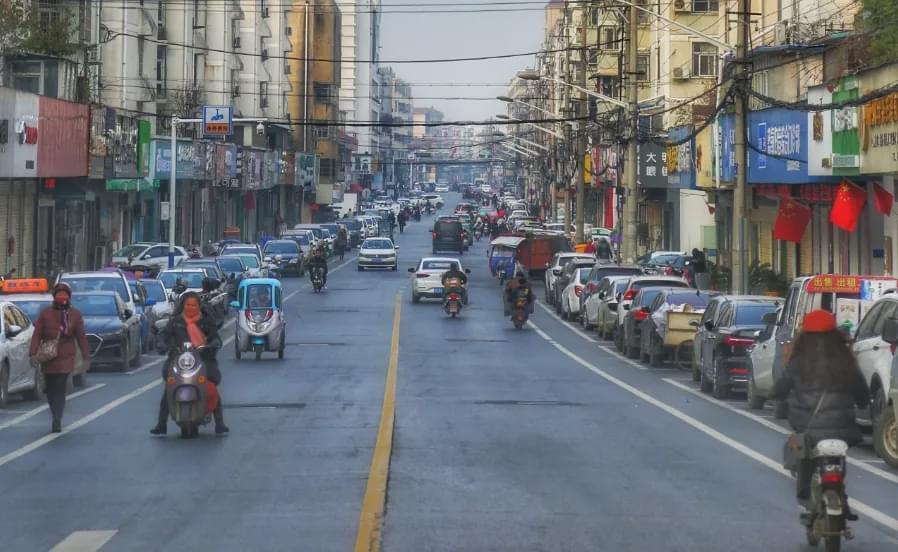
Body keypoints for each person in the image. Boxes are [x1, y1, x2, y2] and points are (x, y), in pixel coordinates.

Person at [771, 310, 868, 513]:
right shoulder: (845, 361)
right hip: (842, 428)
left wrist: (778, 396)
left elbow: (780, 389)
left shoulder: (798, 362)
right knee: (838, 459)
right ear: (835, 335)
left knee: (802, 454)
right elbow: (862, 392)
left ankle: (805, 494)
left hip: (806, 426)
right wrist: (862, 402)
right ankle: (841, 495)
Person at [151, 293, 228, 435]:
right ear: (183, 306)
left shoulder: (206, 321)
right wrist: (162, 344)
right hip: (178, 360)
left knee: (211, 388)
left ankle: (220, 423)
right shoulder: (175, 322)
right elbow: (164, 335)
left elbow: (215, 338)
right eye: (188, 305)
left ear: (199, 306)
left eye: (193, 305)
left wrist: (211, 346)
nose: (190, 307)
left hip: (204, 359)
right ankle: (161, 424)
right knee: (169, 388)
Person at [29, 283, 90, 433]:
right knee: (50, 388)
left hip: (66, 355)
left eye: (65, 294)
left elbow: (81, 336)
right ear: (54, 297)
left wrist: (86, 356)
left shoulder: (75, 314)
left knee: (60, 386)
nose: (62, 297)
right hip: (49, 356)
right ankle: (54, 411)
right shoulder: (46, 313)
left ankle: (57, 417)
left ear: (69, 296)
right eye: (59, 294)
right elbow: (37, 333)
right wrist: (33, 353)